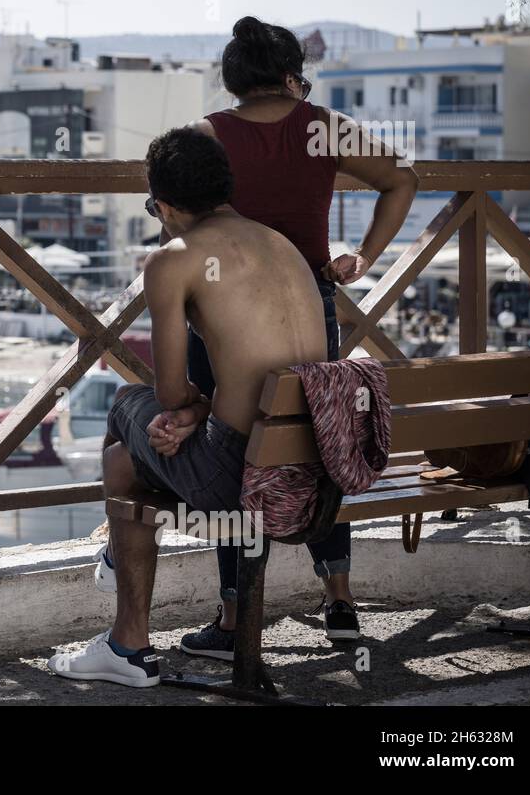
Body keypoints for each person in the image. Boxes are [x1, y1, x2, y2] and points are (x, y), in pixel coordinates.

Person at [48, 126, 328, 688]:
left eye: (155, 208)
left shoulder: (175, 260)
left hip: (242, 477)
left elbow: (171, 394)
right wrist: (197, 413)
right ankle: (120, 620)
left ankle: (128, 645)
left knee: (127, 406)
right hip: (318, 469)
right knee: (125, 463)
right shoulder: (281, 244)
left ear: (169, 206)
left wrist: (189, 411)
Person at [174, 15, 417, 654]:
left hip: (223, 320)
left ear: (233, 80)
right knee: (315, 441)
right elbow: (402, 180)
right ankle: (339, 600)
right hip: (310, 306)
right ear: (291, 75)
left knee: (234, 457)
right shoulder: (323, 128)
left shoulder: (208, 135)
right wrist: (362, 256)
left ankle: (232, 619)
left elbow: (179, 216)